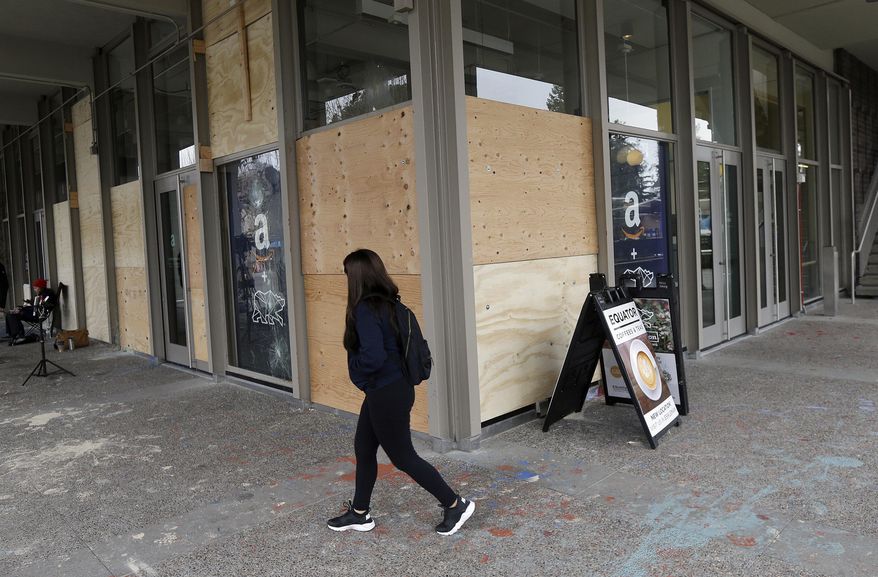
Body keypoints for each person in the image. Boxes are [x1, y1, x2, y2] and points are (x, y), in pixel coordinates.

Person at [327, 249, 475, 536]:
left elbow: (373, 357)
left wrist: (355, 368)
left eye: (347, 274)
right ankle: (360, 513)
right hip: (393, 390)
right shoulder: (390, 305)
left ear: (356, 277)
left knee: (403, 457)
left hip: (385, 393)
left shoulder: (365, 310)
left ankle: (455, 504)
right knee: (364, 447)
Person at [6, 278, 56, 346]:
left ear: (40, 287)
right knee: (10, 313)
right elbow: (34, 307)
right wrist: (21, 308)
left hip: (37, 315)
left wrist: (21, 312)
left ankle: (19, 335)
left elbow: (39, 309)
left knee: (12, 315)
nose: (34, 290)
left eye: (36, 288)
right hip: (34, 313)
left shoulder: (47, 296)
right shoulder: (41, 294)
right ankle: (14, 335)